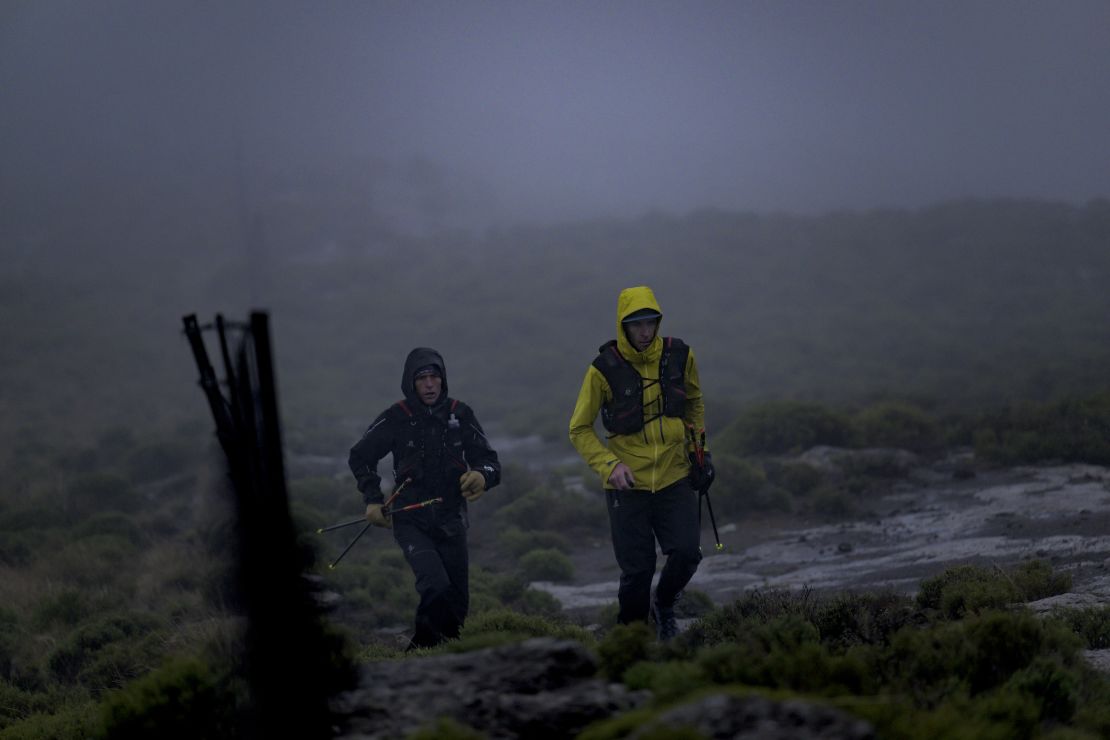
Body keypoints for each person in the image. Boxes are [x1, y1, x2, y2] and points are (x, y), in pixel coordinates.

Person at [569, 286, 714, 640]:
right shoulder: (603, 369)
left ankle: (664, 604)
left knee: (686, 553)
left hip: (674, 475)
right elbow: (579, 428)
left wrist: (700, 452)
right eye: (637, 325)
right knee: (637, 572)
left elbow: (694, 403)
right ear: (624, 326)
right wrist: (609, 466)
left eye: (650, 322)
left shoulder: (680, 355)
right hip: (626, 484)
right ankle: (632, 639)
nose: (645, 331)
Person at [349, 347, 500, 649]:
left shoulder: (461, 413)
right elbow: (360, 457)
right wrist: (373, 499)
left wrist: (482, 475)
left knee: (457, 604)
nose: (429, 384)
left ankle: (447, 662)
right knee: (435, 586)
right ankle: (418, 654)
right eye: (422, 378)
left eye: (434, 377)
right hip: (410, 520)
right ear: (411, 383)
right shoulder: (395, 417)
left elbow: (490, 462)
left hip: (452, 520)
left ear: (443, 380)